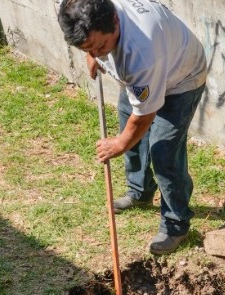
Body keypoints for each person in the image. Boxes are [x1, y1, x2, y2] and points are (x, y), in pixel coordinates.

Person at [57, 0, 207, 255]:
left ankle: (175, 224)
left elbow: (144, 115)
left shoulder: (141, 51)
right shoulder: (84, 10)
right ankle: (140, 191)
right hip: (144, 73)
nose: (96, 53)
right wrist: (95, 53)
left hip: (181, 78)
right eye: (89, 48)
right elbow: (135, 113)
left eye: (100, 46)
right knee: (128, 121)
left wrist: (120, 142)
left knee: (164, 153)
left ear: (115, 21)